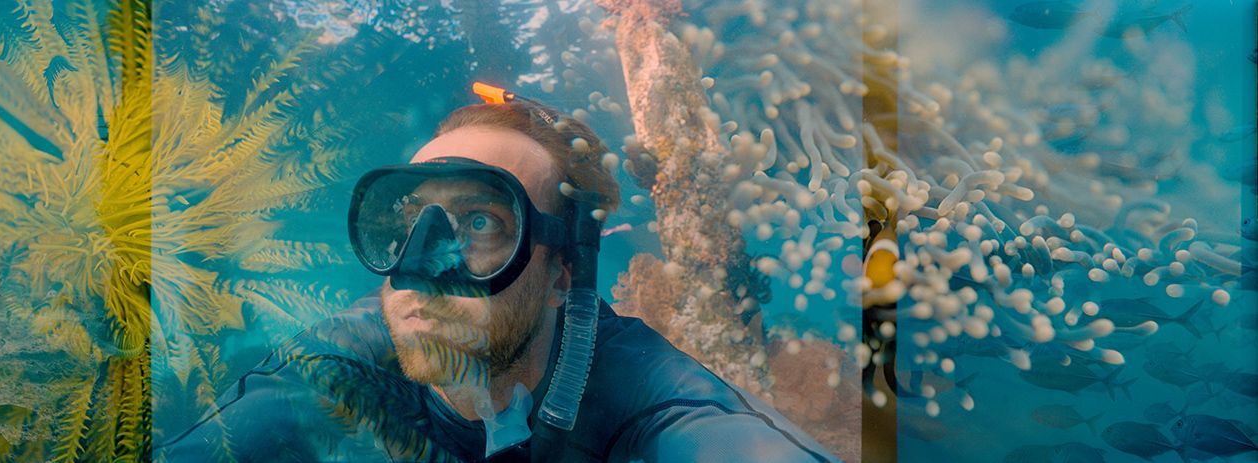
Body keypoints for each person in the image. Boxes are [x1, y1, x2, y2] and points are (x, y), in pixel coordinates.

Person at [157, 84, 834, 462]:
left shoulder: (643, 391)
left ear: (563, 268)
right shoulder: (355, 350)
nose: (419, 271)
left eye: (479, 223)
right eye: (408, 224)